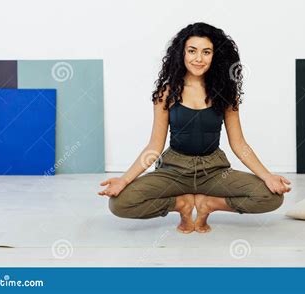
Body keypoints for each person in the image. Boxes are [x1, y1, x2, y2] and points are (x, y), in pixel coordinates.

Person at [98, 22, 291, 233]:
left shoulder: (226, 93)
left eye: (206, 52)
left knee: (271, 197)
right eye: (192, 51)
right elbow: (154, 146)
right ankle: (182, 204)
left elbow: (239, 144)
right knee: (120, 203)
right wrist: (124, 180)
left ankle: (208, 204)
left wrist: (267, 176)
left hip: (214, 171)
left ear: (215, 56)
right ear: (182, 53)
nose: (198, 59)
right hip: (174, 170)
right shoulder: (166, 93)